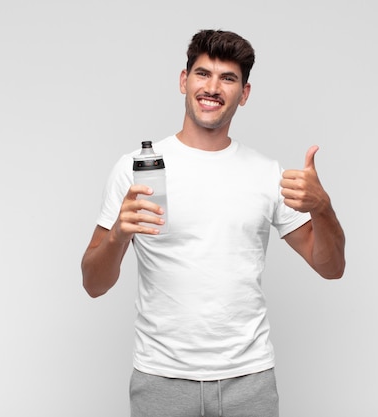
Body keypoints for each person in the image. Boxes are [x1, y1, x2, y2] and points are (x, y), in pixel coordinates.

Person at [81, 29, 346, 417]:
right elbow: (93, 284)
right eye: (203, 73)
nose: (213, 87)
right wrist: (119, 236)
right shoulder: (137, 168)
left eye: (228, 78)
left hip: (249, 381)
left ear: (245, 93)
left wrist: (323, 208)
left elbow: (331, 268)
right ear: (183, 80)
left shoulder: (265, 172)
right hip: (161, 381)